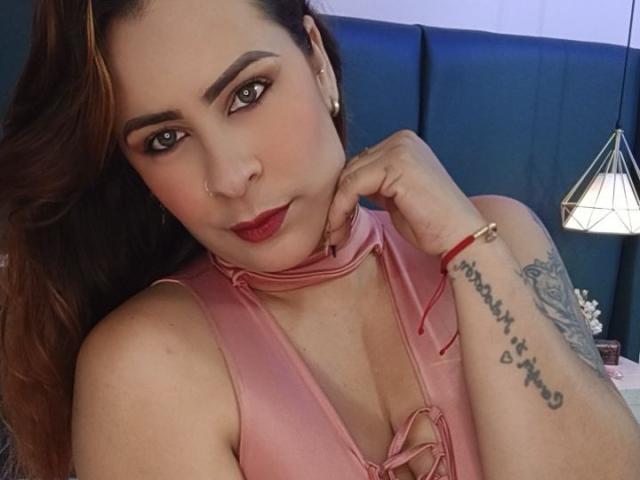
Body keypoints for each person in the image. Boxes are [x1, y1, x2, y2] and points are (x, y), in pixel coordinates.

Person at [1, 0, 639, 479]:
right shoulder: (145, 369)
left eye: (248, 93)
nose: (230, 176)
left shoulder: (505, 239)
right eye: (165, 140)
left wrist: (469, 246)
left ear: (317, 63)